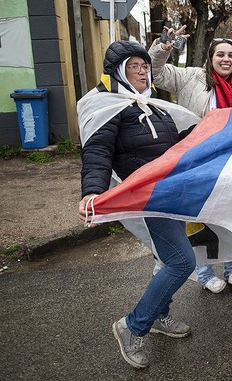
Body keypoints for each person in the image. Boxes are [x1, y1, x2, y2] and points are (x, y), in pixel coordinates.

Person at [77, 40, 198, 369]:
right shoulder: (110, 106)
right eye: (135, 66)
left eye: (145, 66)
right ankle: (133, 326)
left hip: (167, 194)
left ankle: (160, 314)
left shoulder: (153, 104)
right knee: (180, 262)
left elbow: (174, 146)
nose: (143, 71)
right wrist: (92, 190)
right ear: (119, 71)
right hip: (145, 198)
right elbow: (97, 151)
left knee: (168, 259)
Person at [149, 30, 232, 294]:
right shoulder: (191, 77)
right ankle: (205, 272)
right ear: (210, 57)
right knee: (199, 216)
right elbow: (156, 73)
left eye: (230, 55)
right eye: (220, 54)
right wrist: (163, 47)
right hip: (196, 159)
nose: (225, 59)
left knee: (230, 215)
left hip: (230, 160)